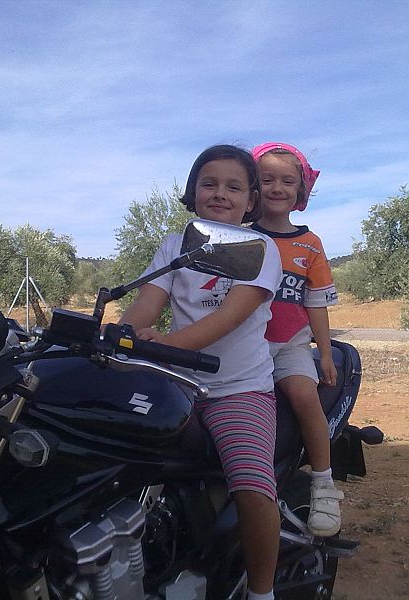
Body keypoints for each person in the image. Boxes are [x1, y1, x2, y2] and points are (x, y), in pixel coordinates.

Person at [118, 144, 283, 600]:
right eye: (209, 184)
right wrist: (121, 335)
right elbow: (147, 302)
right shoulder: (176, 246)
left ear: (251, 200)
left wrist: (163, 346)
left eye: (233, 187)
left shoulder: (261, 249)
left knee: (252, 486)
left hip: (238, 389)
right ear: (193, 192)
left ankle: (262, 592)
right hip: (175, 384)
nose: (220, 194)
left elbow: (230, 315)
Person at [250, 142, 343, 537]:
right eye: (267, 179)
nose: (277, 188)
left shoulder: (310, 244)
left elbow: (316, 303)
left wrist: (325, 353)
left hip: (290, 345)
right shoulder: (240, 237)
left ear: (300, 191)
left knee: (305, 397)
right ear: (253, 187)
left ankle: (324, 484)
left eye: (287, 181)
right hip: (245, 346)